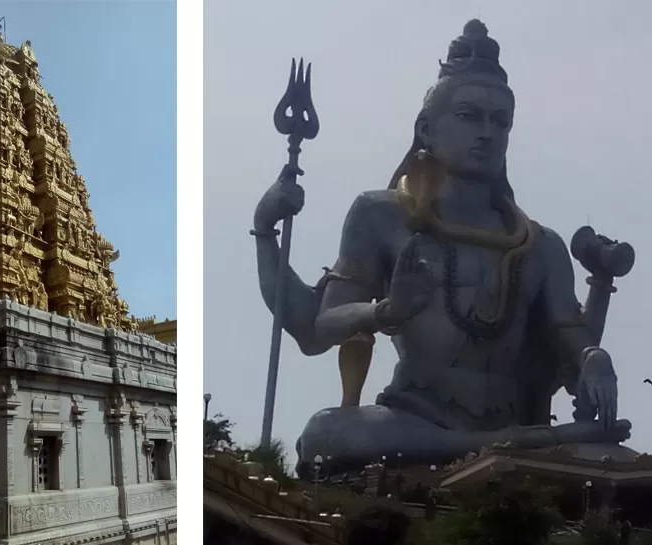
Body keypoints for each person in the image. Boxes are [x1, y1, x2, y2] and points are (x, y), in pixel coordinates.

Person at [252, 20, 631, 475]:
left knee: (616, 457)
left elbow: (570, 339)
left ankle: (498, 444)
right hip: (415, 417)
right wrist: (266, 231)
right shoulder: (382, 215)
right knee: (325, 435)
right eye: (470, 116)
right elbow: (316, 329)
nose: (488, 133)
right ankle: (490, 448)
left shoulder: (540, 244)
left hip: (518, 421)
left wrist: (594, 358)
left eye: (501, 121)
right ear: (427, 129)